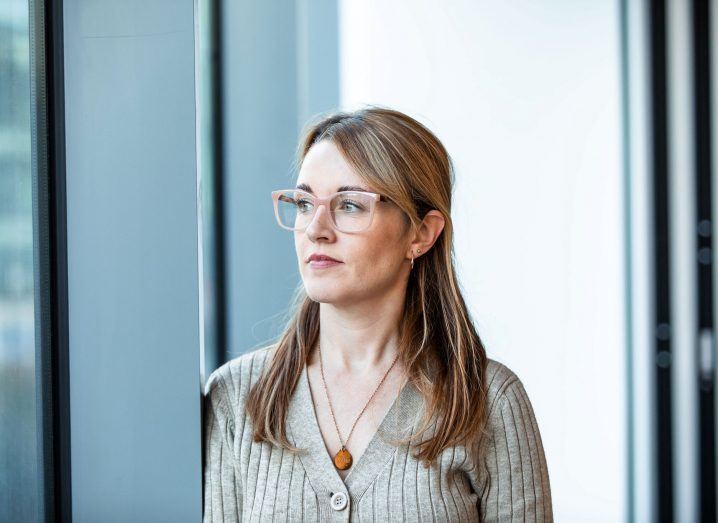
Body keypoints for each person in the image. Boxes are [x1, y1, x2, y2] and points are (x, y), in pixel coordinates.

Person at [203, 106, 553, 521]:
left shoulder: (490, 400)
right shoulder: (237, 396)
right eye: (303, 203)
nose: (316, 228)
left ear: (422, 233)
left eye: (349, 205)